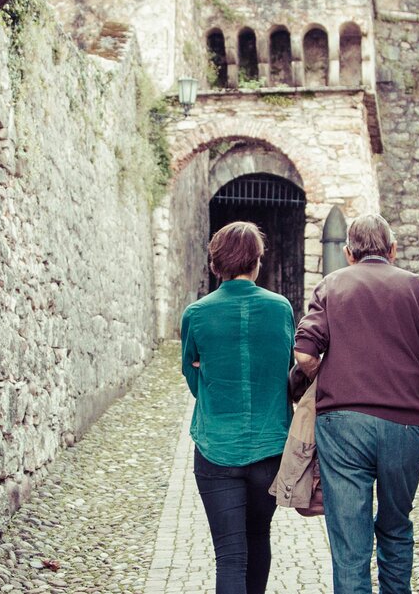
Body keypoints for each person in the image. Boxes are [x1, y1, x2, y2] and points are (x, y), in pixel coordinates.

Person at [293, 213, 419, 594]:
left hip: (343, 427)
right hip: (407, 429)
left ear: (348, 253)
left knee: (350, 548)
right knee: (395, 526)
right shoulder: (417, 289)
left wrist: (329, 371)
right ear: (392, 250)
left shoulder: (331, 285)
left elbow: (305, 354)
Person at [180, 221, 296, 594]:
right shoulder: (280, 309)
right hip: (269, 451)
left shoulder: (196, 315)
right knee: (259, 538)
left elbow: (194, 379)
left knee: (229, 556)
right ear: (257, 262)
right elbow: (284, 369)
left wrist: (211, 377)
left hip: (216, 451)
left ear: (215, 265)